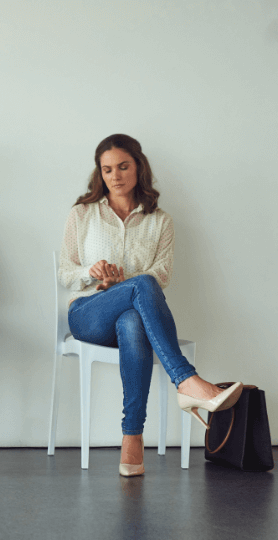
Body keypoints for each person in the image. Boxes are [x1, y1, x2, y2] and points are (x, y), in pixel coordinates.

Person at [58, 133, 243, 477]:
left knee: (132, 317)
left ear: (138, 167)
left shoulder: (161, 221)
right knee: (140, 286)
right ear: (100, 173)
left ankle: (132, 439)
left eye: (123, 166)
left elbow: (163, 275)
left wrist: (124, 282)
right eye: (107, 169)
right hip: (88, 313)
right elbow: (66, 271)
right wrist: (92, 272)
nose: (115, 176)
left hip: (134, 316)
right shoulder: (82, 214)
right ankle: (186, 380)